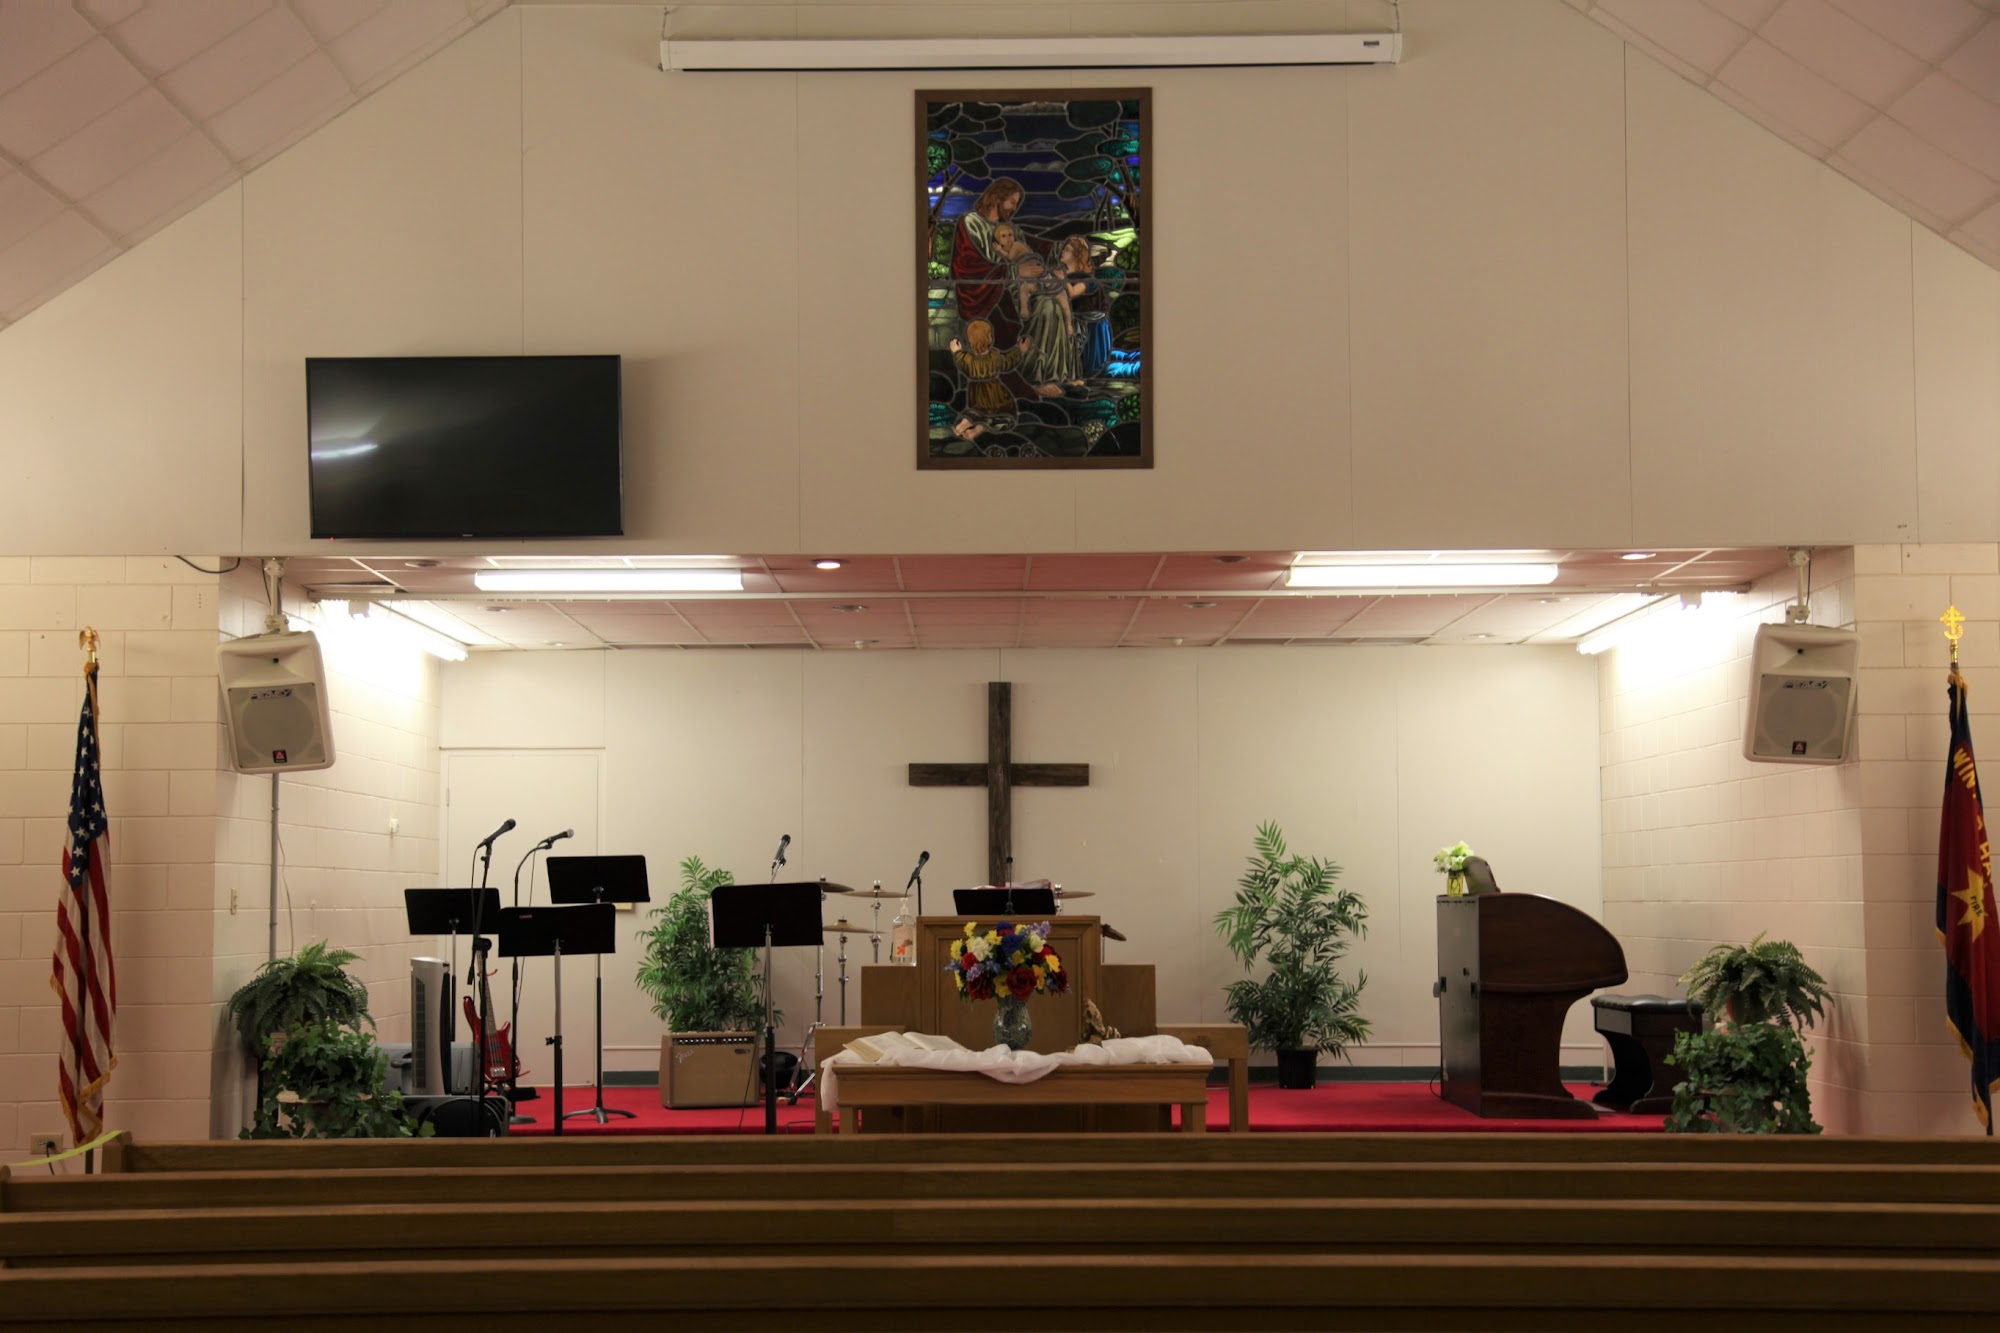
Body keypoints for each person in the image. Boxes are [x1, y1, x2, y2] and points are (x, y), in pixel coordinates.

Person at [947, 320, 1031, 443]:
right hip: (996, 397)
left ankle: (966, 422)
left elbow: (961, 362)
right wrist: (1020, 350)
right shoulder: (995, 357)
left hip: (976, 397)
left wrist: (957, 352)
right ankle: (978, 429)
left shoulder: (968, 359)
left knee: (977, 412)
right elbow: (1008, 361)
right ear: (989, 339)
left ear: (970, 340)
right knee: (1006, 418)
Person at [1014, 250, 1077, 397]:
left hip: (1055, 304)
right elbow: (1023, 297)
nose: (1036, 269)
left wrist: (1069, 324)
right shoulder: (1024, 282)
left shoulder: (1049, 279)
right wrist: (1024, 308)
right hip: (1037, 312)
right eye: (1031, 266)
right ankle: (1039, 372)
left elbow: (1062, 298)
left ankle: (1057, 374)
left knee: (1056, 307)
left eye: (1037, 265)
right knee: (1047, 306)